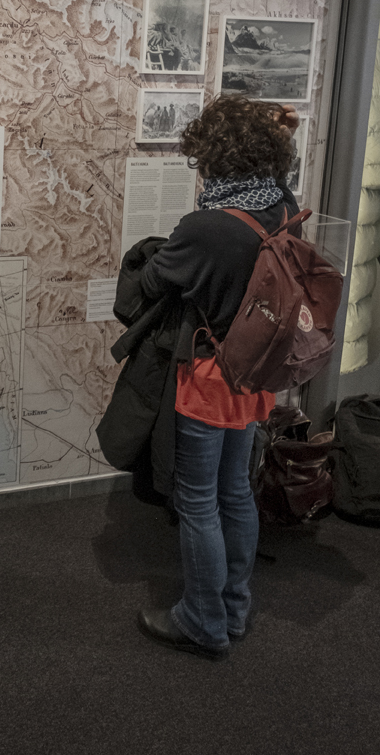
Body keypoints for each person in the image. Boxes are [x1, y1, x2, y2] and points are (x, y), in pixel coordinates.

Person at [132, 94, 300, 660]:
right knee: (236, 491)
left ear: (215, 154)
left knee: (198, 499)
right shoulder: (279, 205)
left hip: (210, 376)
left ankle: (202, 620)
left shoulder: (207, 226)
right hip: (257, 374)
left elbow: (155, 281)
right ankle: (233, 605)